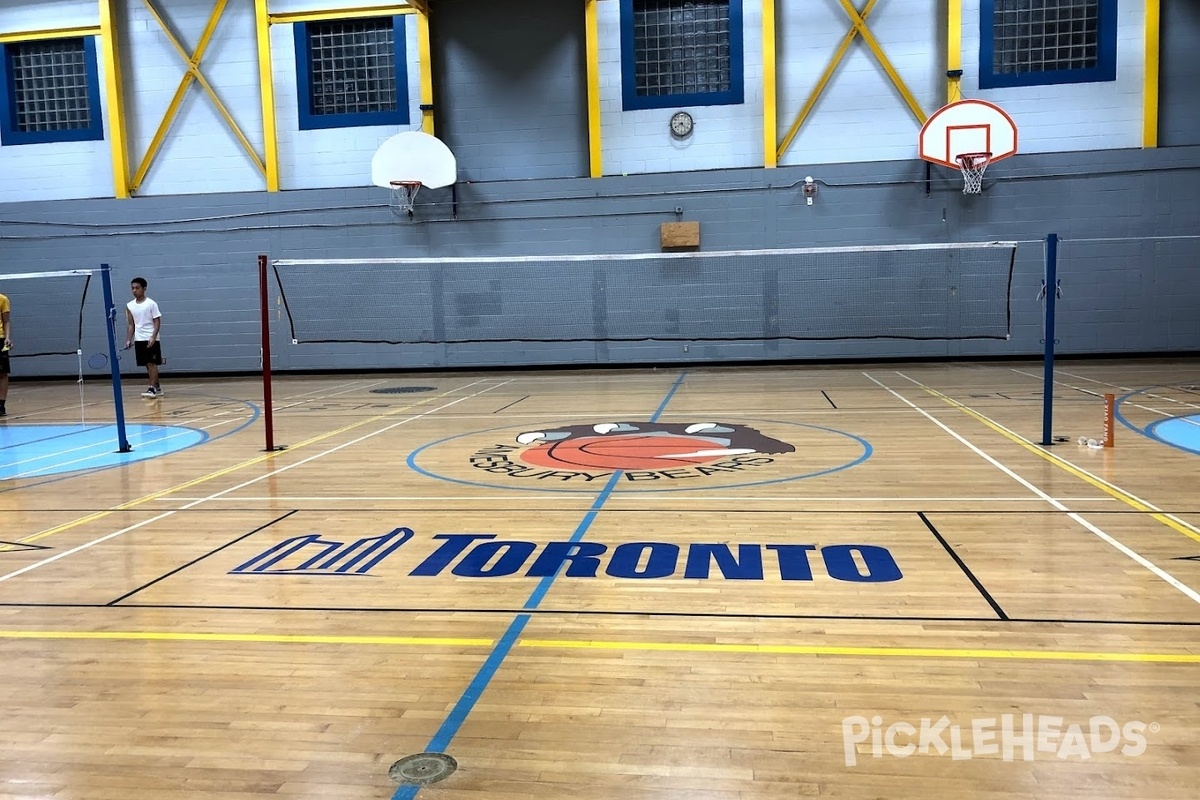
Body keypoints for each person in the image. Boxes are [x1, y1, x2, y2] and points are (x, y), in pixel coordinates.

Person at [125, 277, 164, 398]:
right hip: (139, 338)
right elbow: (131, 324)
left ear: (144, 288)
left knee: (152, 363)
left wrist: (153, 336)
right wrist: (128, 339)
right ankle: (156, 386)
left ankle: (151, 388)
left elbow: (157, 321)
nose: (134, 290)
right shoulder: (129, 305)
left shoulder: (151, 304)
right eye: (132, 288)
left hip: (151, 338)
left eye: (137, 288)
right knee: (147, 365)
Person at [0, 290, 10, 417]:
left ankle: (1, 405)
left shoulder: (3, 299)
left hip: (0, 339)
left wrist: (7, 338)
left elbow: (6, 321)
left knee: (2, 373)